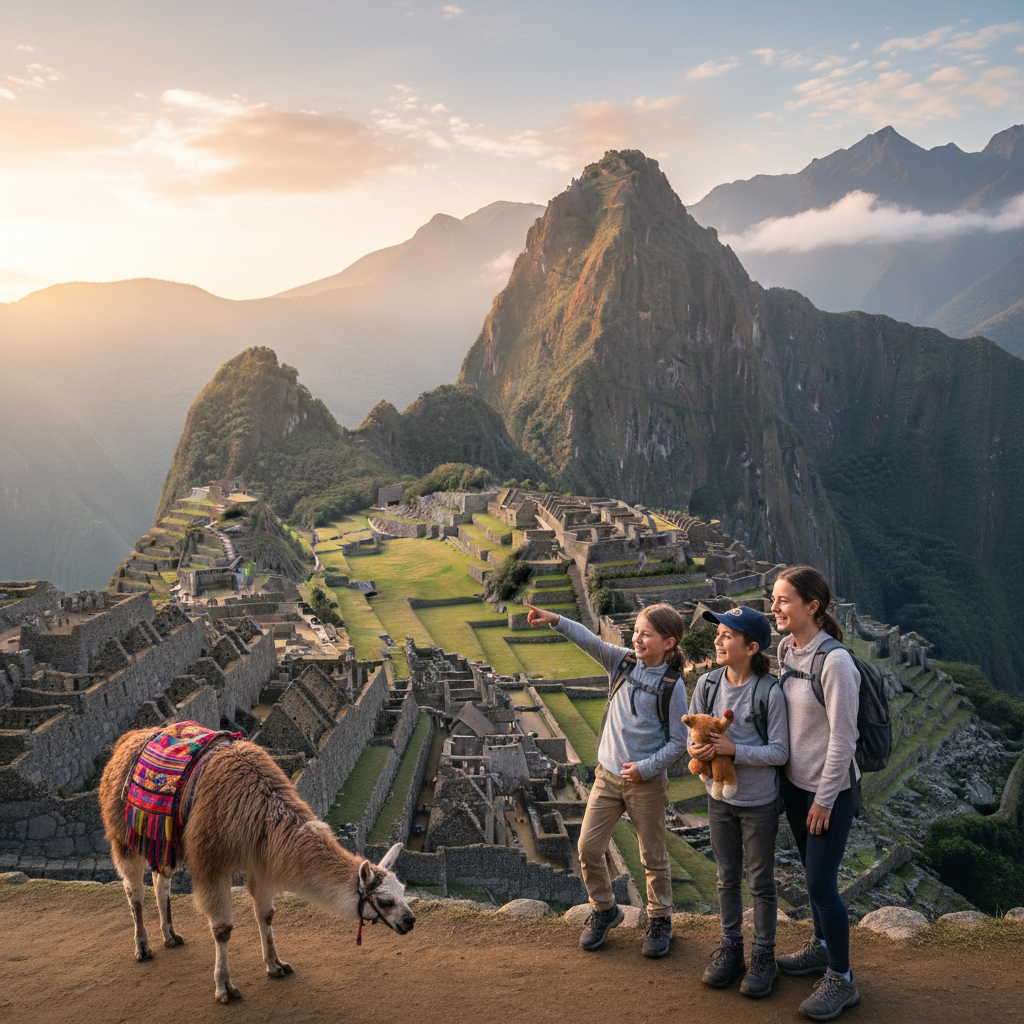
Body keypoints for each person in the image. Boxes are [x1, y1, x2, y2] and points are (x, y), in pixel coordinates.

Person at [525, 601, 688, 958]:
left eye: (647, 634)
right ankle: (604, 909)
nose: (638, 638)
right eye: (637, 632)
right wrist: (557, 620)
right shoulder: (623, 662)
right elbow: (589, 640)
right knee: (587, 847)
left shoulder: (673, 686)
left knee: (653, 856)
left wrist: (645, 768)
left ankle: (660, 918)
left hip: (646, 784)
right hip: (606, 777)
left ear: (669, 642)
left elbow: (680, 741)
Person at [772, 565, 861, 1022]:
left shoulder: (837, 663)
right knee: (811, 875)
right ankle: (822, 947)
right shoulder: (787, 649)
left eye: (784, 600)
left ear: (813, 606)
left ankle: (842, 979)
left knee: (821, 885)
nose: (775, 607)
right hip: (796, 786)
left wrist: (825, 799)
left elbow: (843, 739)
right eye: (774, 599)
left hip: (829, 791)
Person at [688, 606, 789, 998]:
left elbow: (780, 751)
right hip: (718, 799)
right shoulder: (708, 685)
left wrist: (735, 749)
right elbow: (690, 736)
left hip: (758, 802)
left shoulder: (769, 691)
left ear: (751, 646)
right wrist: (701, 751)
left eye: (727, 635)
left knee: (760, 882)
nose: (717, 640)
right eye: (719, 633)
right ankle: (731, 948)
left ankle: (764, 954)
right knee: (725, 877)